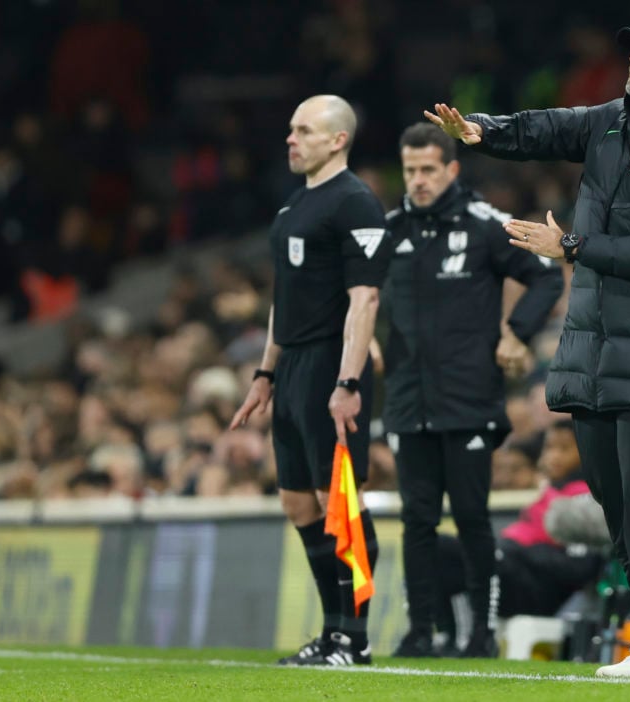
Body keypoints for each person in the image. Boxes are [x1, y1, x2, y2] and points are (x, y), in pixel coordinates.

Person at [427, 14, 630, 677]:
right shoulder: (614, 121)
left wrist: (569, 246)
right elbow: (548, 126)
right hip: (592, 343)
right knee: (613, 498)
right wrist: (485, 131)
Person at [384, 123, 563, 658]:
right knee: (416, 519)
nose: (417, 181)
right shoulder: (390, 230)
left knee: (470, 517)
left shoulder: (485, 224)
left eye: (428, 170)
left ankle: (480, 633)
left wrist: (516, 332)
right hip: (406, 399)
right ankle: (422, 630)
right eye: (410, 170)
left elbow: (546, 276)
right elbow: (360, 294)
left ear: (451, 169)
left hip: (468, 397)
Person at [229, 95, 390, 666]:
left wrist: (348, 381)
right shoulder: (296, 204)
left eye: (303, 130)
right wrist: (265, 372)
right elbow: (284, 297)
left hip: (330, 363)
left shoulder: (355, 204)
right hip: (292, 364)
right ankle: (331, 631)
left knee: (338, 501)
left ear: (336, 140)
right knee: (299, 504)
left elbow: (365, 297)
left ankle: (356, 637)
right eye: (291, 128)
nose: (290, 139)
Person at [433, 420, 608, 647]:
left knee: (460, 554)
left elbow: (580, 567)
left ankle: (463, 639)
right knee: (435, 547)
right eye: (549, 448)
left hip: (538, 589)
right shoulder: (551, 490)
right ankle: (448, 634)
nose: (553, 456)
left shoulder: (588, 496)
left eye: (564, 448)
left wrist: (517, 553)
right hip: (511, 567)